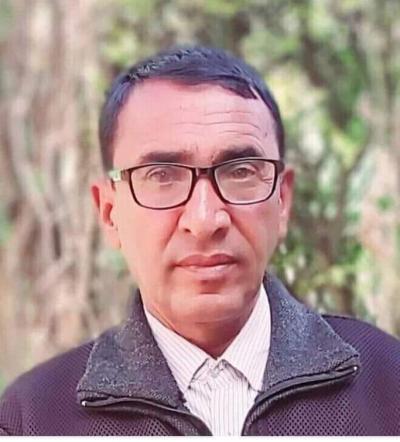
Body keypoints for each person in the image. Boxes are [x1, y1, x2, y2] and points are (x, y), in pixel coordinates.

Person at [0, 45, 399, 436]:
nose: (205, 220)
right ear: (109, 212)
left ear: (282, 199)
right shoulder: (33, 419)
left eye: (240, 171)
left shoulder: (387, 386)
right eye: (161, 175)